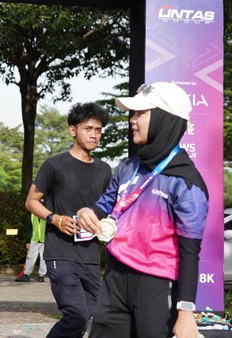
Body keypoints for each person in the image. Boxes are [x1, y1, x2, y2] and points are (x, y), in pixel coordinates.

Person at [77, 82, 209, 338]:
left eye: (141, 113)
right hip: (115, 276)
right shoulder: (128, 167)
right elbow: (105, 204)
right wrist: (87, 211)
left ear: (164, 119)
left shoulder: (187, 183)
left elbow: (190, 251)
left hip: (157, 285)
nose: (132, 120)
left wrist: (185, 312)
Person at [25, 102, 112, 338]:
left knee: (94, 313)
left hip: (91, 255)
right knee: (76, 315)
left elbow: (108, 207)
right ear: (72, 130)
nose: (94, 135)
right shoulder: (54, 165)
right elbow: (31, 201)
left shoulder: (105, 170)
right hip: (60, 254)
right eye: (88, 128)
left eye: (98, 130)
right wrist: (55, 219)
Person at [15, 213, 47, 282]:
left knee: (44, 258)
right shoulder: (31, 215)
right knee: (31, 257)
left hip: (45, 240)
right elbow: (29, 229)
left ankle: (41, 275)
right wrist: (28, 241)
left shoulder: (45, 214)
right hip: (34, 239)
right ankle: (26, 274)